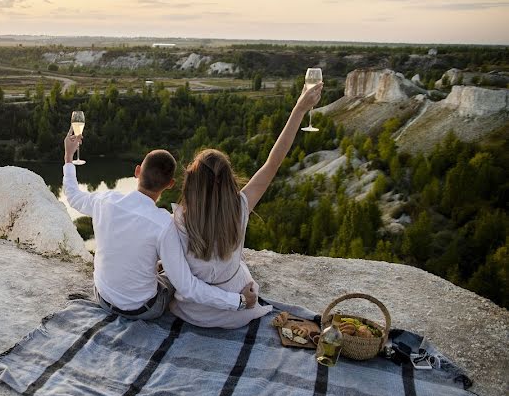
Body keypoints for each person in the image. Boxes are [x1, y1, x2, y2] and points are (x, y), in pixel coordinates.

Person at [169, 81, 324, 328]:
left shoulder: (178, 220)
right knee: (237, 262)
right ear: (229, 181)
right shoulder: (240, 206)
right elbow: (273, 163)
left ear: (192, 184)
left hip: (193, 313)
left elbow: (183, 281)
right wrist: (299, 110)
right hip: (237, 314)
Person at [63, 133, 254, 320]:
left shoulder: (105, 200)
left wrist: (68, 156)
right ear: (170, 184)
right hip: (142, 310)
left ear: (137, 171)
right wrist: (238, 301)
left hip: (103, 297)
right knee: (174, 279)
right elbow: (187, 287)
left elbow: (72, 196)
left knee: (161, 266)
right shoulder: (163, 224)